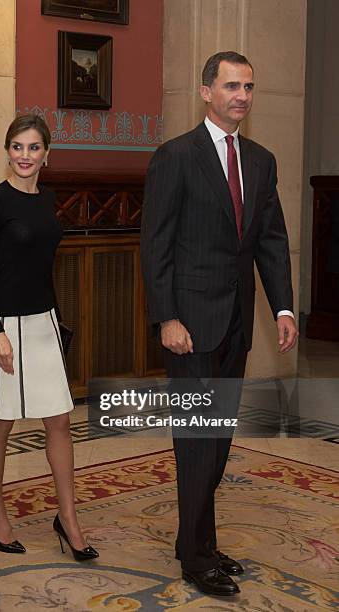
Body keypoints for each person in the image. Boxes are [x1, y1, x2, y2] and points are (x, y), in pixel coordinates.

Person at [140, 51, 298, 596]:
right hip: (188, 326)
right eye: (232, 85)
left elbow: (271, 240)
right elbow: (155, 245)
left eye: (250, 87)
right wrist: (166, 317)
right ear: (206, 91)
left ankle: (201, 543)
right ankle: (193, 556)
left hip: (235, 323)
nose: (242, 96)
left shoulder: (261, 160)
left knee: (220, 438)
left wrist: (282, 307)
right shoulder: (174, 156)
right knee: (196, 441)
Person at [0, 113, 98, 561]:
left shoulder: (49, 198)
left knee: (60, 421)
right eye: (17, 147)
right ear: (7, 151)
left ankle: (69, 520)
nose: (25, 155)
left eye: (33, 147)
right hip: (6, 326)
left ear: (46, 155)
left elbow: (43, 268)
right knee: (0, 424)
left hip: (43, 324)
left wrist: (56, 325)